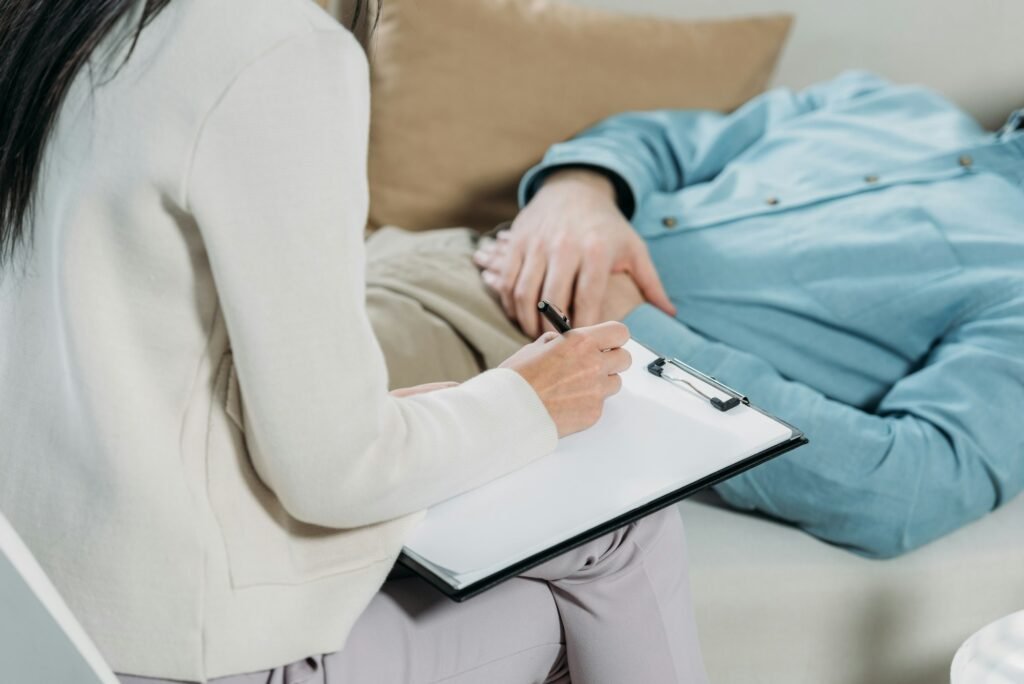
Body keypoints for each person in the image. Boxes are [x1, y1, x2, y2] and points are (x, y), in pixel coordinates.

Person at [0, 1, 708, 683]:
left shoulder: (66, 22)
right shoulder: (275, 50)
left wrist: (405, 415)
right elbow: (336, 472)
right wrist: (527, 401)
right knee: (625, 530)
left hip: (44, 627)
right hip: (188, 654)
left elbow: (127, 361)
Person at [475, 71, 1024, 559]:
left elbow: (905, 493)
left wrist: (633, 326)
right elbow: (660, 141)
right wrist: (581, 190)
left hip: (526, 364)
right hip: (460, 255)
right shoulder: (887, 102)